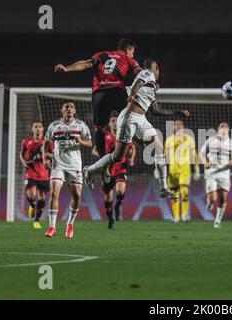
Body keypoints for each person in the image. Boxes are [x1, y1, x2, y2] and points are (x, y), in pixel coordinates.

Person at [83, 58, 189, 199]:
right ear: (155, 67)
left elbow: (156, 110)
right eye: (157, 68)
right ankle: (89, 171)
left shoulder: (152, 86)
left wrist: (177, 113)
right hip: (129, 117)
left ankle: (163, 187)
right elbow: (138, 83)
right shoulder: (147, 73)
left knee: (159, 148)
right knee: (117, 156)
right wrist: (132, 94)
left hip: (141, 119)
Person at [54, 38, 142, 158]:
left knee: (99, 128)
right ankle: (136, 139)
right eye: (132, 52)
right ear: (128, 50)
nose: (132, 55)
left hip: (100, 93)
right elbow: (138, 71)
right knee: (130, 117)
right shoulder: (127, 58)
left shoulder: (101, 55)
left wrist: (67, 68)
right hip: (117, 91)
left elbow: (86, 64)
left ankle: (102, 160)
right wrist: (149, 76)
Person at [43, 101, 93, 239]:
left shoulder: (81, 125)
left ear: (75, 111)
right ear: (62, 110)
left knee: (77, 196)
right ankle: (52, 227)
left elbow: (90, 142)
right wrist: (44, 158)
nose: (69, 109)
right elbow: (46, 142)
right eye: (66, 107)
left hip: (75, 165)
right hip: (58, 164)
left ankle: (70, 224)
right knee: (53, 193)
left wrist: (81, 141)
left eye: (71, 107)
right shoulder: (54, 126)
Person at [199, 122, 232, 228]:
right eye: (221, 126)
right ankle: (210, 203)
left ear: (229, 130)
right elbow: (201, 153)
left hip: (224, 173)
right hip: (211, 172)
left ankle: (217, 221)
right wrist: (205, 162)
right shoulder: (210, 141)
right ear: (217, 129)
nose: (223, 128)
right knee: (213, 198)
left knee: (223, 198)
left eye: (225, 126)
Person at [102, 111, 136, 229]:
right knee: (108, 199)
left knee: (120, 192)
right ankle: (110, 218)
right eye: (113, 121)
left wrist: (131, 159)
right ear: (109, 123)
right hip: (107, 170)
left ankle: (118, 204)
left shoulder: (124, 135)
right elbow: (95, 150)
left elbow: (132, 147)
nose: (115, 123)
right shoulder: (105, 136)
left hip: (120, 168)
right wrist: (102, 158)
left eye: (117, 121)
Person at [164, 119, 200, 223]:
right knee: (174, 194)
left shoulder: (189, 139)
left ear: (183, 126)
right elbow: (164, 156)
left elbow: (194, 154)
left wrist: (197, 168)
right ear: (174, 127)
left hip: (185, 168)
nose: (178, 126)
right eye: (176, 125)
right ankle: (176, 217)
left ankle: (184, 216)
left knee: (184, 191)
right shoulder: (169, 140)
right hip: (172, 169)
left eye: (180, 124)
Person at [19, 121, 53, 229]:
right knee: (31, 195)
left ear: (43, 129)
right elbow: (21, 153)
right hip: (31, 172)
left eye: (40, 127)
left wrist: (46, 154)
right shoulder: (26, 141)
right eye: (35, 127)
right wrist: (25, 164)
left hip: (44, 174)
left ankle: (37, 220)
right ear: (32, 129)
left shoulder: (47, 142)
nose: (38, 129)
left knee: (42, 198)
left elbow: (53, 154)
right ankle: (32, 205)